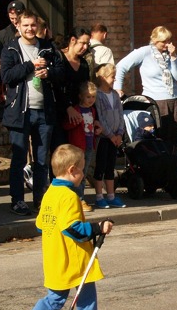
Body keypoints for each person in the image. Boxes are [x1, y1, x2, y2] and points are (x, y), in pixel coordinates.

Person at [13, 144, 114, 310]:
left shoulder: (50, 193)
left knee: (55, 298)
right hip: (74, 258)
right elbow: (72, 228)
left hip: (54, 255)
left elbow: (41, 225)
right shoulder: (69, 197)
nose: (83, 174)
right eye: (82, 169)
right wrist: (97, 228)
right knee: (87, 300)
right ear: (72, 170)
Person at [0, 9, 61, 215]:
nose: (29, 29)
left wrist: (48, 72)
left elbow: (61, 72)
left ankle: (40, 199)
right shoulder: (10, 48)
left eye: (33, 25)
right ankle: (17, 200)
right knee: (18, 158)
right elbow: (7, 76)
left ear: (38, 26)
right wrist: (30, 65)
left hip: (44, 111)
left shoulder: (47, 47)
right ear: (18, 26)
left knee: (42, 159)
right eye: (25, 25)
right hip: (20, 111)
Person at [114, 26, 177, 148]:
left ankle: (172, 164)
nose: (167, 44)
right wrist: (118, 87)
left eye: (169, 41)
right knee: (158, 140)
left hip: (174, 100)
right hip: (156, 102)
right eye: (163, 41)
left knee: (173, 142)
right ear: (154, 40)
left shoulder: (169, 54)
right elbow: (121, 66)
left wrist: (174, 57)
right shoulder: (144, 52)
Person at [50, 27, 92, 170]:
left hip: (78, 114)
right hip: (60, 112)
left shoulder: (84, 64)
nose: (85, 47)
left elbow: (86, 88)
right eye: (83, 43)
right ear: (73, 40)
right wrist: (68, 107)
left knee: (77, 154)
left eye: (88, 44)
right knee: (60, 152)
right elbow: (55, 86)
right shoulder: (59, 57)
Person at [61, 81, 102, 212]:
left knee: (83, 174)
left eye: (93, 97)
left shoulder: (92, 110)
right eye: (88, 97)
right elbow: (66, 125)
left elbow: (91, 126)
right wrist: (76, 123)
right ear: (81, 96)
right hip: (77, 146)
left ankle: (80, 197)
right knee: (75, 173)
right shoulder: (76, 110)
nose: (91, 100)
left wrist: (96, 129)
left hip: (89, 145)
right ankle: (75, 198)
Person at [93, 63, 126, 209]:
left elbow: (120, 114)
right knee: (100, 165)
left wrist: (119, 133)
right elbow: (100, 117)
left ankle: (111, 195)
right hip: (104, 138)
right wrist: (110, 134)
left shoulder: (114, 95)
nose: (114, 79)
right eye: (112, 77)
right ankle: (99, 196)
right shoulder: (98, 95)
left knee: (110, 166)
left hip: (115, 138)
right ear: (103, 78)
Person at [0, 0, 25, 69]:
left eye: (17, 18)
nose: (15, 21)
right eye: (12, 18)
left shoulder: (31, 30)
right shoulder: (2, 34)